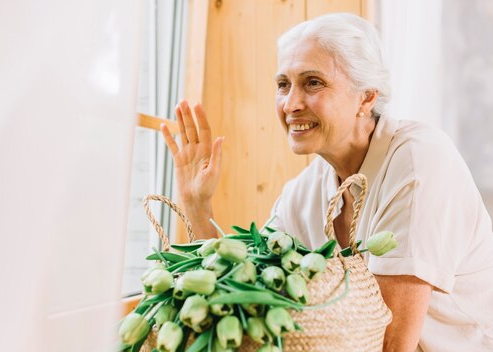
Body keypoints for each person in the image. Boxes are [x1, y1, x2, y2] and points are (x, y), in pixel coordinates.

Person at [160, 12, 493, 352]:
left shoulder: (419, 161)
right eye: (283, 84)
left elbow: (392, 343)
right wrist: (197, 205)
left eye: (313, 82)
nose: (291, 104)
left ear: (366, 97)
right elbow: (245, 290)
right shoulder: (305, 190)